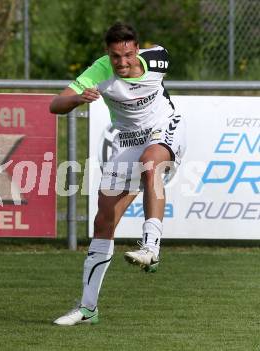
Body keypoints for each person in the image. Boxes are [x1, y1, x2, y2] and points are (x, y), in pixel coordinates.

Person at [50, 23, 186, 326]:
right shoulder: (98, 71)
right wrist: (77, 98)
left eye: (127, 55)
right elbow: (55, 105)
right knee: (103, 220)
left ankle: (151, 247)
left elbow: (162, 54)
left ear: (136, 49)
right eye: (115, 56)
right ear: (107, 53)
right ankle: (88, 309)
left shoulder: (157, 59)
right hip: (128, 141)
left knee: (152, 164)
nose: (121, 63)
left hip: (165, 128)